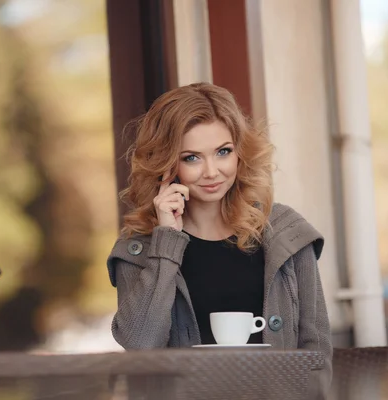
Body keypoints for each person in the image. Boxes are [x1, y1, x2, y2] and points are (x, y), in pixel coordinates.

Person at [107, 83, 332, 397]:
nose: (212, 172)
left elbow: (316, 351)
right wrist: (167, 238)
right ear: (167, 164)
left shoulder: (285, 231)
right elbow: (139, 344)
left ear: (240, 153)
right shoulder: (140, 247)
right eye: (192, 158)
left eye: (223, 152)